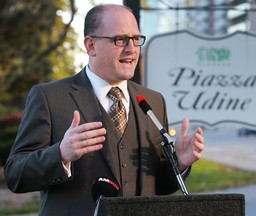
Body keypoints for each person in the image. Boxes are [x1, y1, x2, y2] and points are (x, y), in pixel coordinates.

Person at [4, 4, 204, 216]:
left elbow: (159, 187)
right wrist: (60, 154)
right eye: (120, 39)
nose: (131, 49)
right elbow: (15, 175)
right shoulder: (49, 98)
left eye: (136, 39)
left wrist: (180, 163)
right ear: (91, 46)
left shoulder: (153, 101)